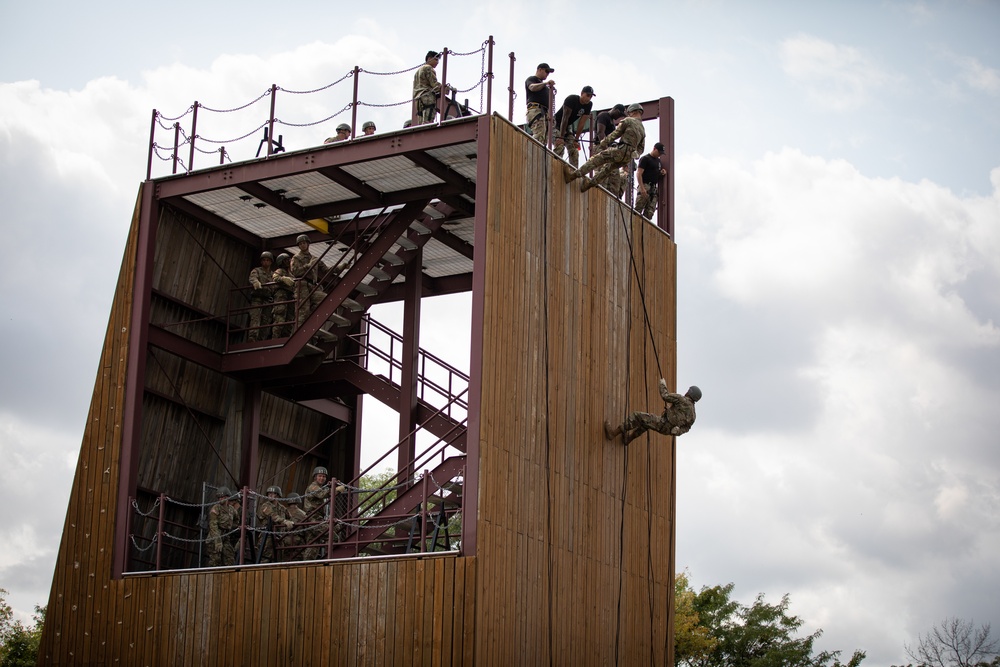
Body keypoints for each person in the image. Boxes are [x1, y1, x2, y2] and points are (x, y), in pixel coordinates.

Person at [564, 102, 645, 192]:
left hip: (620, 150)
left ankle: (573, 176)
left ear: (632, 112)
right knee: (606, 170)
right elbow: (641, 148)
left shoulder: (628, 121)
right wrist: (635, 155)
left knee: (595, 160)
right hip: (628, 156)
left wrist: (604, 142)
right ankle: (588, 185)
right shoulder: (642, 129)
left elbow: (616, 134)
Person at [604, 380, 701, 444]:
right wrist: (678, 431)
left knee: (637, 416)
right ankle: (628, 439)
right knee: (646, 424)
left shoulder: (682, 399)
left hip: (662, 422)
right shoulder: (693, 415)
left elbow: (665, 396)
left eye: (689, 391)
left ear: (690, 393)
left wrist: (662, 384)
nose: (687, 392)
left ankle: (613, 433)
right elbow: (686, 428)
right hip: (667, 430)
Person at [301, 466, 347, 560]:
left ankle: (306, 565)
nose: (322, 478)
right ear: (315, 477)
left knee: (313, 546)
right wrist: (337, 489)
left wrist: (333, 487)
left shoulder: (320, 487)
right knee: (333, 537)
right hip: (312, 519)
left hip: (317, 519)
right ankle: (331, 559)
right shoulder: (313, 487)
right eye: (320, 476)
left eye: (324, 477)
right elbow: (322, 494)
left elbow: (326, 492)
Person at [290, 234, 330, 327]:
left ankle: (312, 327)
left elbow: (326, 270)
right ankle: (297, 334)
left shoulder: (314, 258)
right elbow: (295, 272)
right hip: (302, 285)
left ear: (308, 244)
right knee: (303, 312)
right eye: (300, 244)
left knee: (324, 300)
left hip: (313, 286)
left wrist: (341, 267)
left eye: (304, 243)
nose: (302, 245)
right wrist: (308, 266)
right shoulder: (296, 258)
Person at [552, 85, 595, 168]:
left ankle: (573, 172)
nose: (589, 98)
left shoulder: (589, 105)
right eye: (587, 95)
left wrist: (576, 140)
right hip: (557, 123)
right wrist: (561, 137)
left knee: (574, 150)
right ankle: (555, 166)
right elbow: (565, 118)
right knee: (560, 146)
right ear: (582, 93)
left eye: (591, 96)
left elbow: (581, 123)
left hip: (568, 126)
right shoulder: (571, 99)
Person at [256, 486, 293, 563]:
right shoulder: (265, 506)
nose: (270, 495)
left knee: (279, 558)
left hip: (280, 536)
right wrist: (284, 521)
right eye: (269, 493)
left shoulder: (282, 508)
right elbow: (273, 516)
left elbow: (290, 518)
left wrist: (289, 523)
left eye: (273, 494)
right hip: (268, 536)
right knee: (265, 558)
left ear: (278, 495)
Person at [413, 50, 452, 125]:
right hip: (427, 97)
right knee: (428, 121)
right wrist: (446, 89)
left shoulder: (417, 72)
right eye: (436, 59)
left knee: (421, 122)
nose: (437, 62)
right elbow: (434, 85)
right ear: (429, 58)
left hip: (418, 98)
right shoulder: (428, 68)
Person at [206, 487, 240, 567]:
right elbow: (213, 526)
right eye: (219, 497)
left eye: (223, 497)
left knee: (229, 558)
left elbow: (236, 519)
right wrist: (217, 541)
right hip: (215, 537)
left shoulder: (231, 509)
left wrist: (231, 527)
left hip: (226, 536)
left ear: (228, 497)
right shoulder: (216, 508)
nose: (221, 499)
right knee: (216, 561)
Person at [524, 63, 556, 143]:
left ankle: (540, 154)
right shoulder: (532, 79)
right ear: (540, 70)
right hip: (535, 110)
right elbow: (532, 87)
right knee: (539, 134)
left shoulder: (544, 87)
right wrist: (546, 83)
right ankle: (532, 152)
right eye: (546, 71)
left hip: (543, 112)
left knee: (544, 137)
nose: (547, 74)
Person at [247, 251, 274, 342]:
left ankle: (261, 340)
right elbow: (252, 278)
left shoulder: (273, 275)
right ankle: (252, 338)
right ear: (261, 262)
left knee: (265, 321)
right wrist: (256, 282)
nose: (265, 262)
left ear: (270, 262)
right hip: (257, 299)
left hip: (268, 300)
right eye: (264, 260)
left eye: (267, 260)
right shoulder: (257, 271)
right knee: (255, 318)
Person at [635, 142, 667, 219]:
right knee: (638, 210)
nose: (659, 154)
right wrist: (642, 188)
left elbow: (653, 173)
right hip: (645, 185)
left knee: (649, 212)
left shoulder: (658, 161)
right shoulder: (645, 159)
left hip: (653, 188)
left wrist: (661, 173)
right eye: (659, 152)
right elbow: (639, 173)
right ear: (654, 149)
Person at [270, 253, 296, 338]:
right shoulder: (280, 271)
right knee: (279, 318)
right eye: (286, 260)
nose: (288, 261)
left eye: (289, 259)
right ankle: (275, 338)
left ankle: (285, 338)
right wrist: (283, 279)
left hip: (290, 296)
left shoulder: (292, 274)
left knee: (289, 319)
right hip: (281, 295)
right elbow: (275, 277)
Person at [283, 492, 308, 561]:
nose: (293, 506)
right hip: (293, 538)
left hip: (291, 538)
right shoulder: (302, 514)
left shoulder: (284, 511)